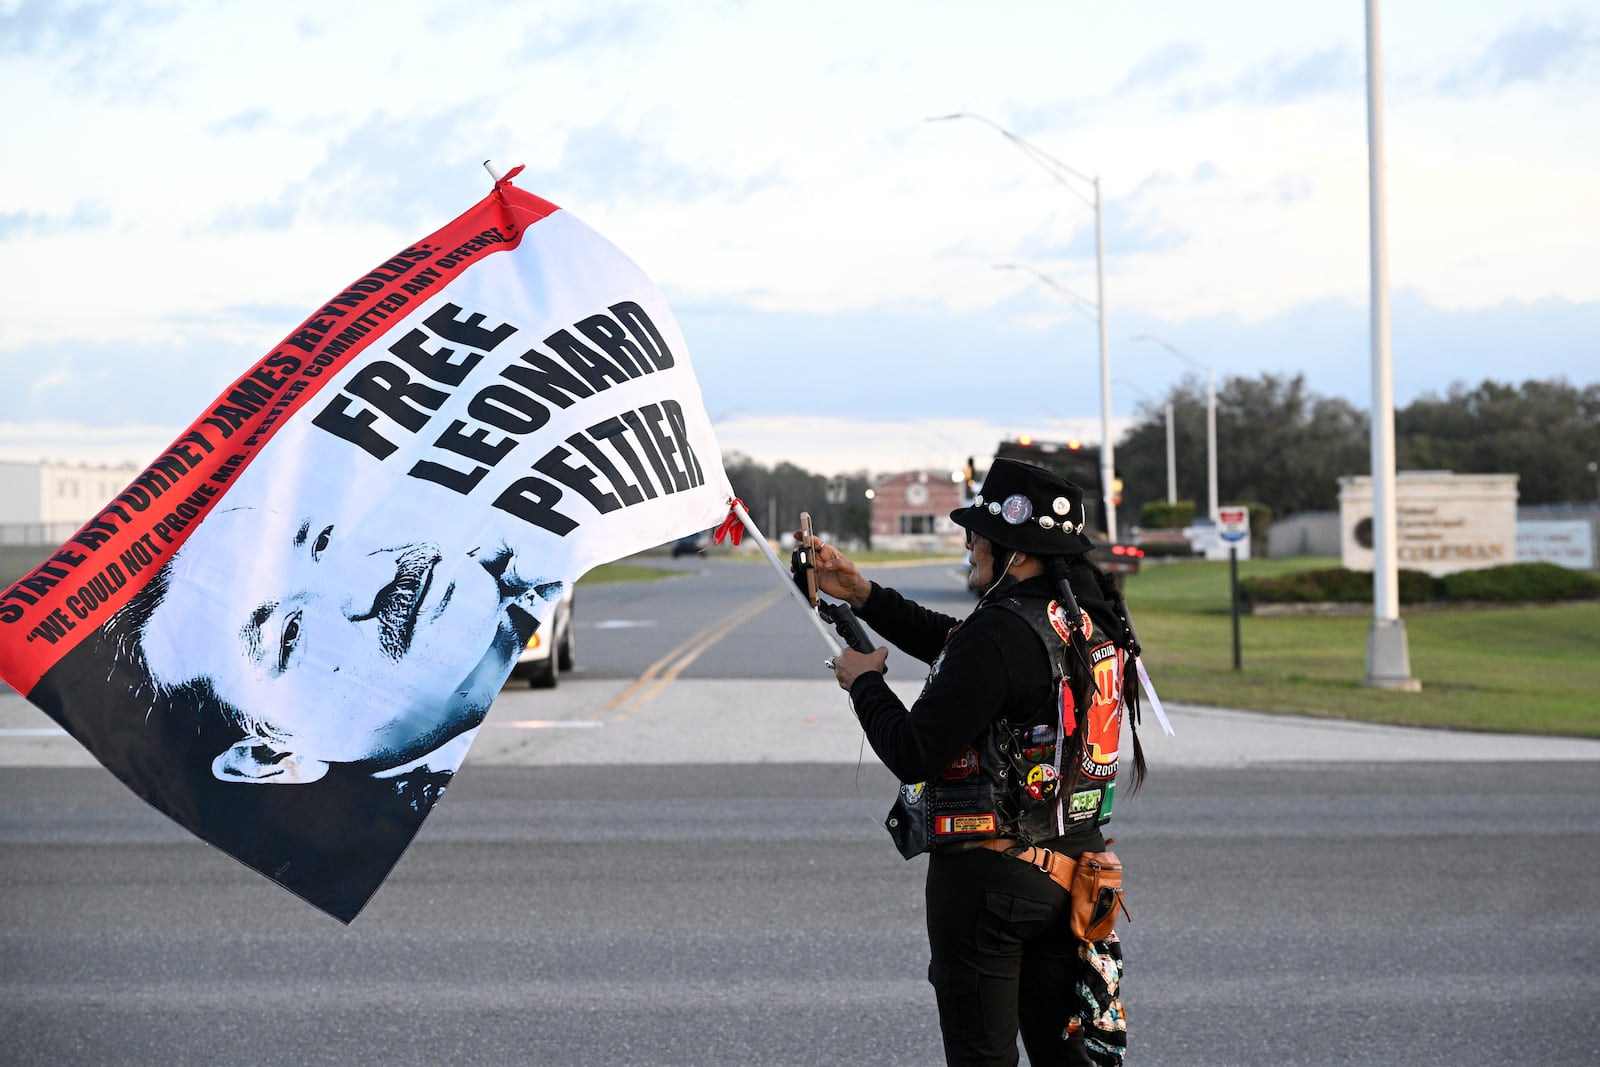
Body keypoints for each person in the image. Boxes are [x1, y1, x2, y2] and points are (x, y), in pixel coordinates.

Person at [803, 458, 1147, 1066]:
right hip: (1075, 872)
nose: (968, 547)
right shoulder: (1083, 621)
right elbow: (958, 647)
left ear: (1008, 550)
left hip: (992, 883)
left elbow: (914, 751)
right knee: (1062, 1057)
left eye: (974, 536)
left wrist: (864, 684)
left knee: (980, 1057)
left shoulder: (999, 635)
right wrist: (861, 593)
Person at [108, 504, 565, 796]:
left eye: (321, 545)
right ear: (268, 755)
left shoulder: (536, 548)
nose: (372, 579)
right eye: (289, 637)